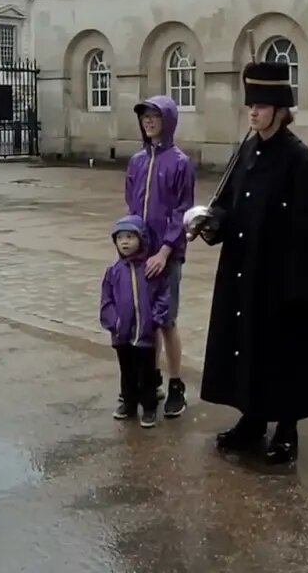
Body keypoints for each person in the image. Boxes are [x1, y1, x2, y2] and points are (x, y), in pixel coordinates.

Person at [196, 60, 308, 465]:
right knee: (247, 347)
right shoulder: (247, 149)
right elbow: (228, 203)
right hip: (244, 269)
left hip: (281, 278)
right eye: (250, 104)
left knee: (283, 354)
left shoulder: (298, 160)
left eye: (260, 104)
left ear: (280, 109)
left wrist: (299, 288)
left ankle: (286, 430)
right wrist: (212, 222)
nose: (252, 111)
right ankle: (252, 419)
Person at [124, 94, 195, 417]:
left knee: (167, 320)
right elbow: (132, 206)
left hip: (167, 255)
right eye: (144, 116)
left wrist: (165, 251)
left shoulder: (180, 163)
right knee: (146, 321)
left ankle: (176, 383)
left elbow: (183, 211)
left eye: (154, 116)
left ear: (167, 120)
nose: (149, 121)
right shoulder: (137, 161)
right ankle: (150, 380)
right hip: (142, 254)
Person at [100, 215, 170, 428]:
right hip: (121, 334)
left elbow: (163, 296)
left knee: (146, 372)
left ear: (142, 239)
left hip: (146, 334)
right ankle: (128, 404)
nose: (125, 242)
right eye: (120, 238)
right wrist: (114, 322)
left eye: (130, 237)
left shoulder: (151, 268)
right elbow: (106, 300)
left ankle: (148, 408)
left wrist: (156, 319)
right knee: (127, 371)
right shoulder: (113, 270)